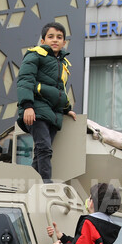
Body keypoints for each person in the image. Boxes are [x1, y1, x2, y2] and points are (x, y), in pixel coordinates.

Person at [17, 21, 77, 182]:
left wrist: (66, 109)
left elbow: (60, 90)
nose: (55, 40)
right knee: (44, 148)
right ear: (42, 41)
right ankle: (45, 184)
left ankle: (34, 184)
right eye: (50, 37)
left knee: (41, 151)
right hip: (36, 110)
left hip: (53, 114)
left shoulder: (63, 64)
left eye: (59, 37)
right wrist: (28, 106)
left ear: (64, 42)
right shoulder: (35, 55)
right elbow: (24, 80)